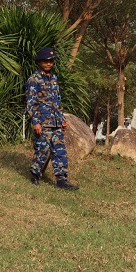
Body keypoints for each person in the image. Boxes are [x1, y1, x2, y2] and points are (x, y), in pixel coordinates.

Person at [26, 48, 79, 190]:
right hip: (43, 123)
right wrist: (36, 122)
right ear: (40, 62)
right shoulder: (34, 80)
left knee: (59, 151)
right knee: (42, 150)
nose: (49, 64)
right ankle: (35, 174)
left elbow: (57, 101)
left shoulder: (54, 79)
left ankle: (62, 181)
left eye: (51, 61)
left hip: (56, 122)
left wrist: (62, 118)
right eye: (46, 61)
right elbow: (31, 103)